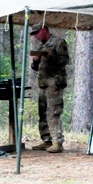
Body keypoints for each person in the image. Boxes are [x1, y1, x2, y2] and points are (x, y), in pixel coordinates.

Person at [28, 25, 69, 153]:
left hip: (54, 83)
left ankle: (57, 141)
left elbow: (65, 60)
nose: (37, 37)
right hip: (43, 83)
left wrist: (51, 57)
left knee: (53, 112)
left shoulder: (59, 42)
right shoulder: (41, 46)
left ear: (44, 30)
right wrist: (36, 61)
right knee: (43, 112)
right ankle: (47, 140)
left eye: (38, 33)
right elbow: (35, 68)